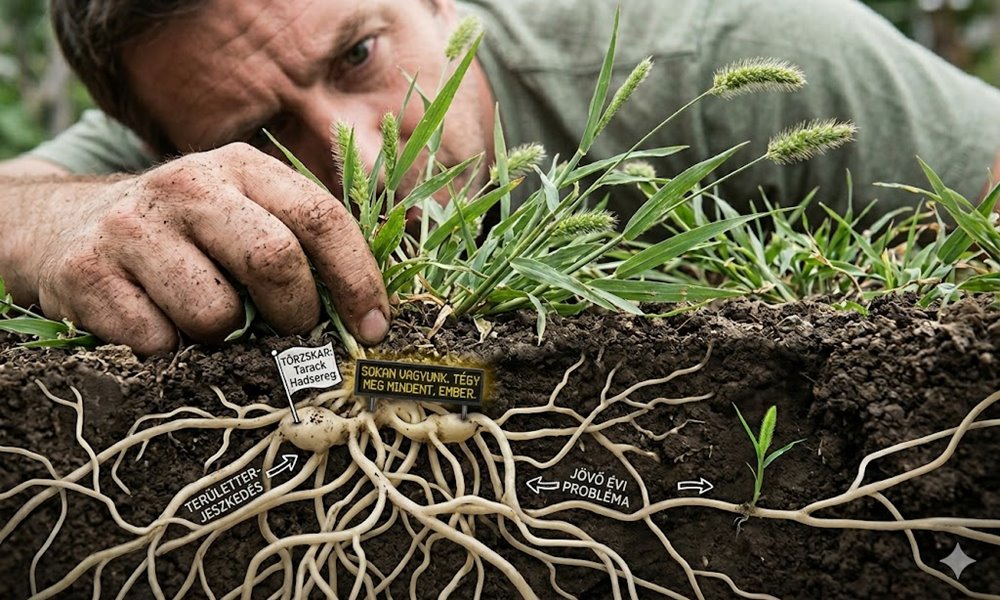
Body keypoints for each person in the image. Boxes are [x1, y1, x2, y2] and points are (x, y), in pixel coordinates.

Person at [1, 0, 998, 356]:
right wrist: (67, 225)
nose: (364, 160)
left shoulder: (737, 49)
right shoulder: (182, 143)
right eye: (263, 132)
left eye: (357, 56)